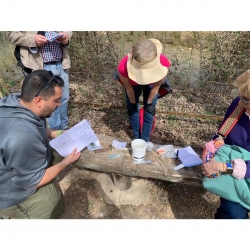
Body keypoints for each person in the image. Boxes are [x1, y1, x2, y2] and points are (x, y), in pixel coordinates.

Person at [0, 70, 81, 219]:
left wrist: (58, 133)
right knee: (54, 206)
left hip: (16, 162)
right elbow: (33, 181)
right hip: (8, 194)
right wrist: (66, 163)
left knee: (55, 150)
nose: (59, 104)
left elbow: (41, 128)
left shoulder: (17, 102)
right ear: (38, 101)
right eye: (56, 100)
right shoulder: (23, 136)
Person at [201, 69, 250, 219]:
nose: (241, 102)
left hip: (239, 170)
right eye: (241, 96)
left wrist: (222, 167)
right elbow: (223, 134)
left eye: (247, 100)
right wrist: (212, 148)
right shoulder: (239, 104)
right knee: (232, 214)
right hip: (232, 172)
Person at [6, 31, 73, 130]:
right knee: (48, 101)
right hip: (40, 65)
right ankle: (56, 132)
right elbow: (11, 34)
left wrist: (67, 37)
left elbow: (69, 30)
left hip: (62, 63)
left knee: (63, 98)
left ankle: (64, 127)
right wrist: (32, 39)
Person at [114, 38, 171, 142]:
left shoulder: (163, 63)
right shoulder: (123, 67)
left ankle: (145, 140)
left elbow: (156, 87)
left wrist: (149, 104)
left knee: (149, 112)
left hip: (152, 84)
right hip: (132, 85)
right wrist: (132, 103)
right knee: (132, 110)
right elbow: (129, 90)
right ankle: (137, 138)